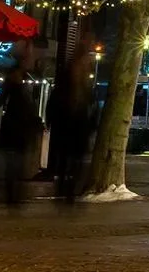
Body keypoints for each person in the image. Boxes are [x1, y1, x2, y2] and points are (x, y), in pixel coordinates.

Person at [47, 34, 95, 203]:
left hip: (75, 130)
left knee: (74, 163)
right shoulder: (71, 82)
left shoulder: (81, 84)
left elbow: (90, 106)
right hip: (69, 129)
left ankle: (68, 193)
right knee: (69, 162)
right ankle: (65, 193)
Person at [0, 45, 41, 206]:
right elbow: (22, 108)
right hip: (16, 131)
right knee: (15, 165)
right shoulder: (17, 84)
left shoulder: (17, 82)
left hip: (15, 131)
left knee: (15, 165)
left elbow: (1, 100)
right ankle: (13, 197)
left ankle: (13, 196)